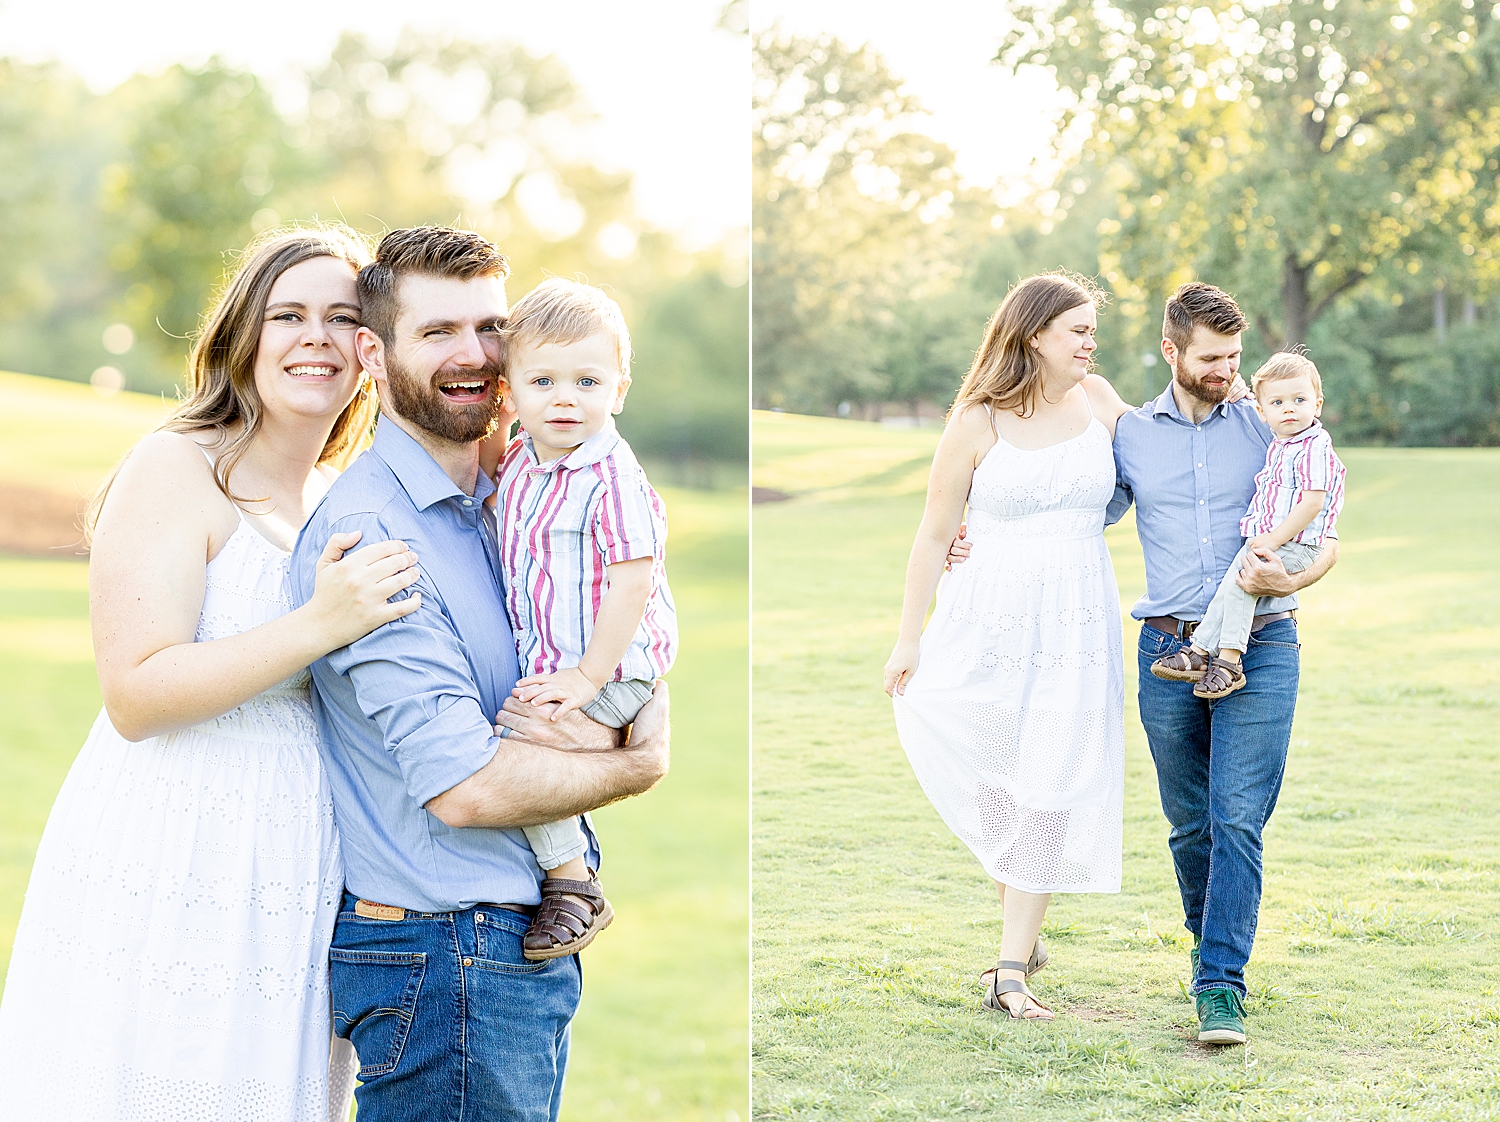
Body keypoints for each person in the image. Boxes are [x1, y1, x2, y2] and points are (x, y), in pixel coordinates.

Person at [0, 225, 424, 1118]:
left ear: (369, 352)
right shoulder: (179, 465)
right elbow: (136, 694)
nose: (314, 337)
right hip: (172, 844)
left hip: (295, 862)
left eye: (341, 318)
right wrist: (318, 623)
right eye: (288, 314)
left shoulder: (346, 499)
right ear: (245, 335)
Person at [289, 226, 670, 1122]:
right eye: (438, 333)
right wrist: (635, 764)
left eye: (490, 327)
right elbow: (462, 787)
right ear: (371, 355)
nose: (474, 357)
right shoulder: (378, 537)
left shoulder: (509, 496)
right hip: (446, 950)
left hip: (490, 952)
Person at [883, 271, 1142, 1021]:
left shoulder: (1099, 402)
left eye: (1094, 331)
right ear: (1035, 334)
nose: (1092, 343)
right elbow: (934, 533)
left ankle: (1009, 969)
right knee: (998, 770)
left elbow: (1162, 449)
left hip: (1075, 618)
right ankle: (1021, 928)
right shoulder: (977, 420)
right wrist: (908, 637)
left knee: (1055, 772)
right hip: (984, 615)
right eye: (1079, 331)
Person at [1110, 283, 1339, 1045]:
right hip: (1166, 649)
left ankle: (1219, 986)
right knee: (1188, 826)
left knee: (1237, 816)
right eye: (1210, 358)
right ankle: (1210, 946)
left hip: (1265, 643)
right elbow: (1078, 512)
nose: (1225, 371)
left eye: (1233, 357)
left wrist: (1295, 576)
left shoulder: (1271, 425)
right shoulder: (1131, 435)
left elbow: (1329, 529)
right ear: (1170, 351)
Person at [479, 279, 677, 961]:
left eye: (588, 380)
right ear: (510, 392)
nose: (566, 397)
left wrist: (590, 677)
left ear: (618, 390)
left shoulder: (611, 478)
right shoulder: (521, 461)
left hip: (613, 665)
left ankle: (572, 882)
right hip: (555, 663)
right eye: (543, 380)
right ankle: (565, 866)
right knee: (523, 735)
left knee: (524, 747)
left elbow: (633, 579)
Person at [1151, 351, 1345, 699]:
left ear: (1317, 405)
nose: (1289, 409)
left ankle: (1228, 661)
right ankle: (1198, 652)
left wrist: (1271, 539)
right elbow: (1262, 398)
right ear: (1262, 411)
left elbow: (1314, 503)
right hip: (1270, 541)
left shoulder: (1315, 444)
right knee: (1231, 587)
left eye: (1299, 400)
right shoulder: (1284, 442)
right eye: (1278, 403)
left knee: (1243, 585)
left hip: (1295, 545)